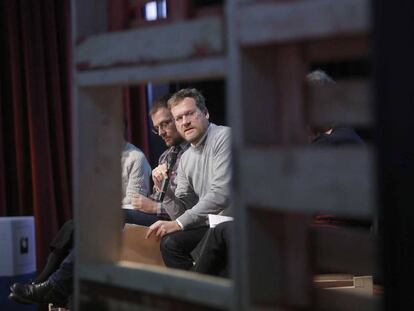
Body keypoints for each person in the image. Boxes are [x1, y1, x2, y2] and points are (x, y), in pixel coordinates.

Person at [9, 141, 151, 306]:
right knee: (71, 226)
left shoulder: (136, 158)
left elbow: (136, 203)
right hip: (106, 216)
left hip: (123, 220)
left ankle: (51, 286)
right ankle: (44, 280)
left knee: (90, 227)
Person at [146, 88, 232, 271]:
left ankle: (195, 295)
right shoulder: (185, 158)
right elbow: (182, 211)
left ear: (205, 113)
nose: (185, 122)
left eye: (190, 114)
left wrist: (177, 224)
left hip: (233, 223)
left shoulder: (224, 137)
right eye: (178, 118)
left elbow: (221, 194)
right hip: (210, 224)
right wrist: (165, 191)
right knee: (170, 243)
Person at [124, 94, 190, 225]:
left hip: (175, 220)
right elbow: (157, 197)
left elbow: (191, 206)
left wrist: (155, 207)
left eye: (164, 124)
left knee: (118, 216)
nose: (161, 132)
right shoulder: (165, 156)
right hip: (158, 215)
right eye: (156, 128)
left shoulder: (193, 153)